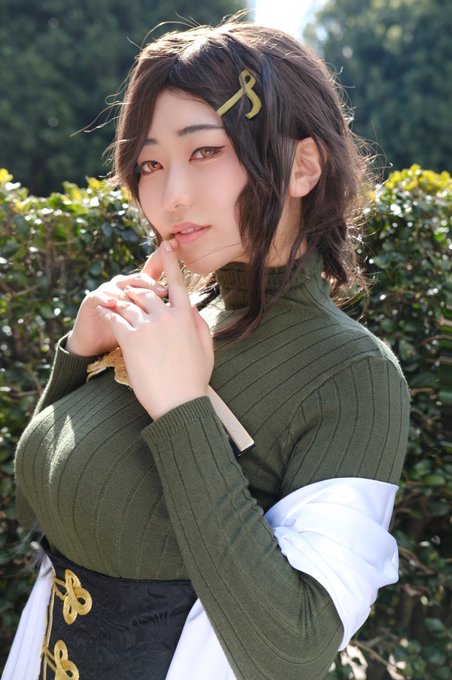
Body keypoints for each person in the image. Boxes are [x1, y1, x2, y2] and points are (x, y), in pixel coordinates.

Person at [5, 16, 410, 680]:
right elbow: (41, 507)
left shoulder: (355, 373)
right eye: (151, 164)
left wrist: (183, 411)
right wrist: (78, 357)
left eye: (205, 152)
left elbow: (295, 647)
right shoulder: (174, 323)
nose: (169, 196)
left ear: (303, 165)